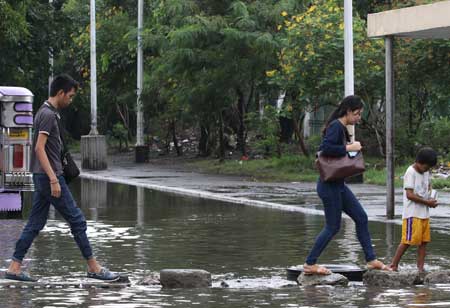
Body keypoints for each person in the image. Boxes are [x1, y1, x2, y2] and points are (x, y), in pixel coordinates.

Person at [5, 74, 118, 282]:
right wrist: (54, 180)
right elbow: (39, 148)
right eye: (71, 96)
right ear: (60, 93)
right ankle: (94, 267)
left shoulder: (44, 112)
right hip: (49, 177)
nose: (71, 99)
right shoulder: (48, 114)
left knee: (35, 223)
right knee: (77, 220)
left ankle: (14, 267)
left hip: (42, 176)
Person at [303, 95, 390, 275]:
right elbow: (325, 149)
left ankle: (371, 259)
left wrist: (350, 146)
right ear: (348, 111)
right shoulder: (336, 126)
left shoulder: (341, 127)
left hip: (338, 185)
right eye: (357, 114)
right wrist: (350, 148)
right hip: (329, 186)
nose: (358, 118)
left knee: (361, 217)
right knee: (332, 226)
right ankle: (310, 264)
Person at [389, 147, 438, 272]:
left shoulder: (426, 172)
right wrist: (427, 202)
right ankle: (394, 265)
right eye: (426, 167)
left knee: (424, 242)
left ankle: (420, 268)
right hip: (412, 214)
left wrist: (431, 198)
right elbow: (409, 195)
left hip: (424, 214)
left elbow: (428, 185)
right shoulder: (410, 172)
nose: (427, 170)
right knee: (407, 241)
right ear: (419, 162)